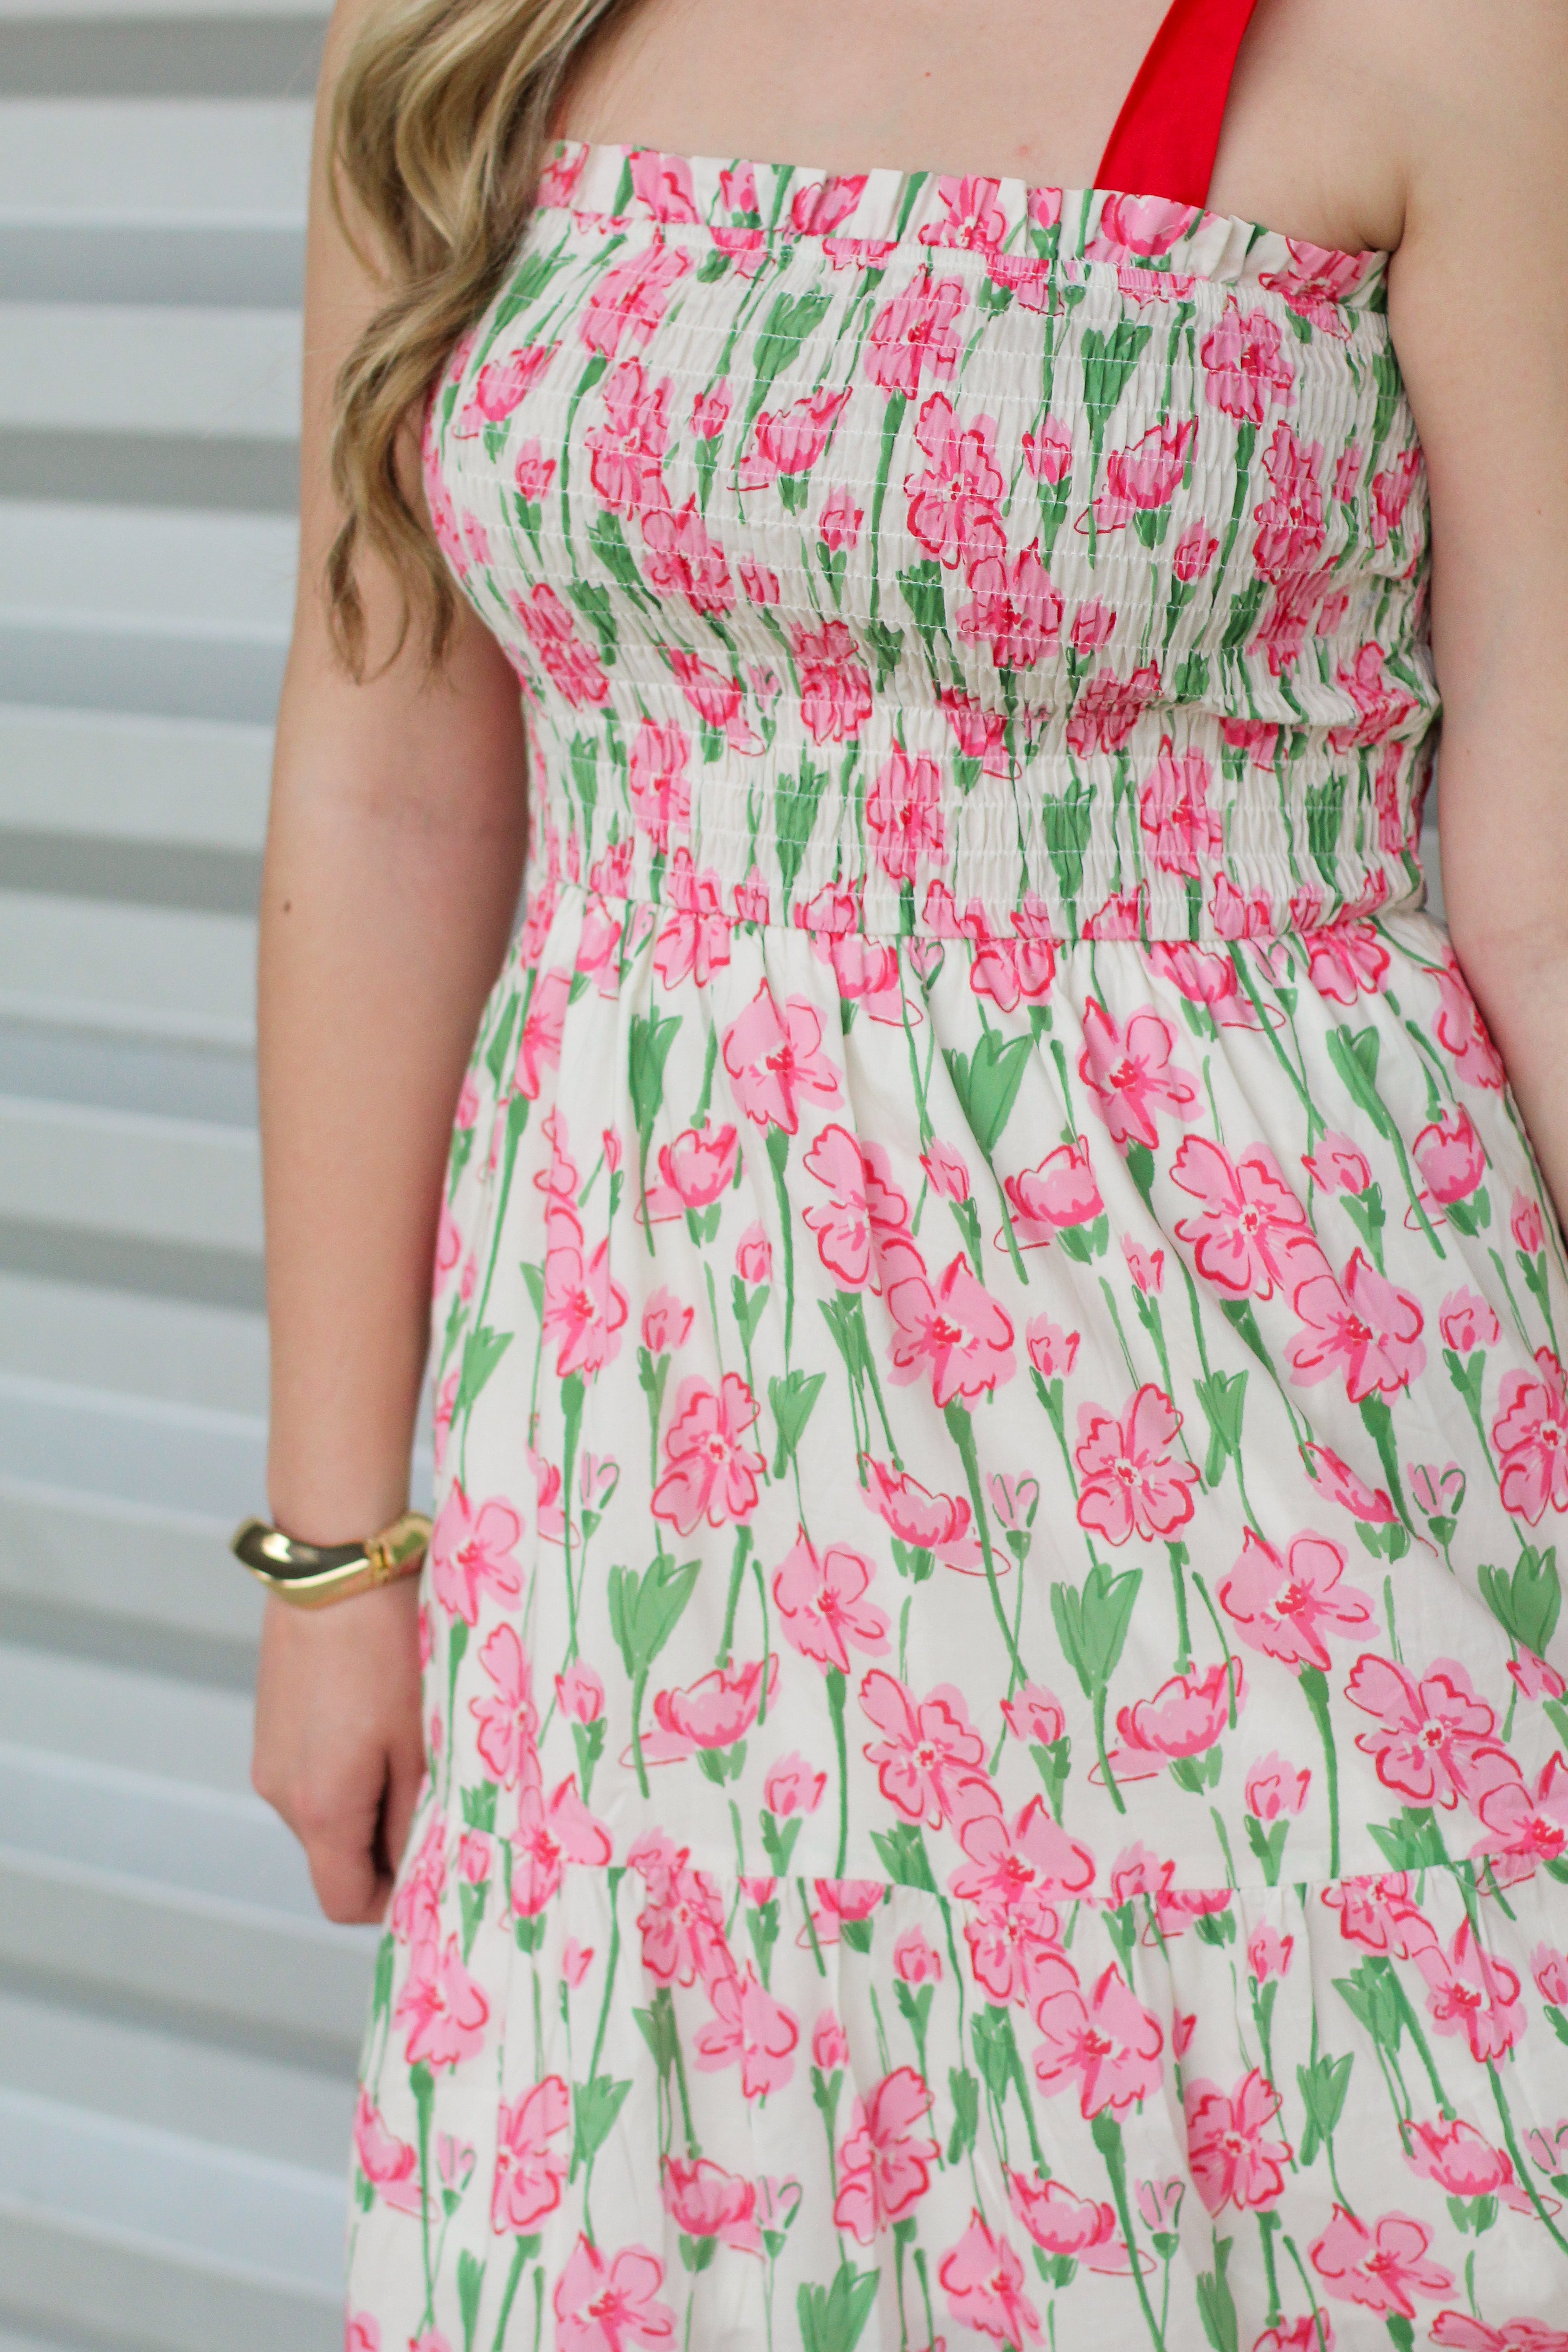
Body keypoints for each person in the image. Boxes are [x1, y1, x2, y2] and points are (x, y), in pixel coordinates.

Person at [248, 0, 1568, 2339]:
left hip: (1277, 1453)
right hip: (659, 1480)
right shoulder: (459, 36)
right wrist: (336, 1550)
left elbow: (1547, 884)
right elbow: (387, 789)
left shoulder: (1438, 43)